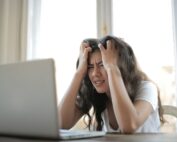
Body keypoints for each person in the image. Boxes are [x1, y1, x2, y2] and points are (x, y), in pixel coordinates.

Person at [58, 35, 164, 133]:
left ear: (120, 66)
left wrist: (111, 68)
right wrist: (79, 73)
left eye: (103, 64)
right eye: (90, 67)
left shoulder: (147, 88)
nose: (95, 73)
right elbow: (60, 123)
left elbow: (129, 125)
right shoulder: (97, 94)